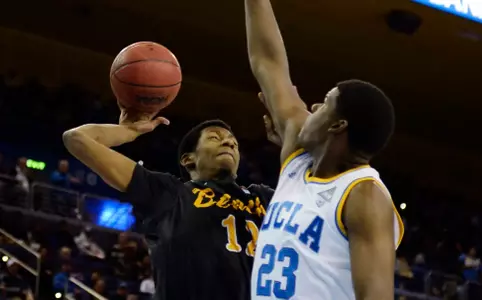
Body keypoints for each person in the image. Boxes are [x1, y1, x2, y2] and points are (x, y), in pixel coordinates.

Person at [244, 0, 404, 299]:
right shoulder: (298, 157)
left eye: (325, 103)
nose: (313, 107)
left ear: (336, 126)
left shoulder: (364, 196)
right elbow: (268, 63)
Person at [62, 106, 275, 300]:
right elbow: (76, 139)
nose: (229, 142)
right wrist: (126, 132)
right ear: (188, 159)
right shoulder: (170, 193)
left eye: (234, 142)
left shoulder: (262, 197)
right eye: (214, 138)